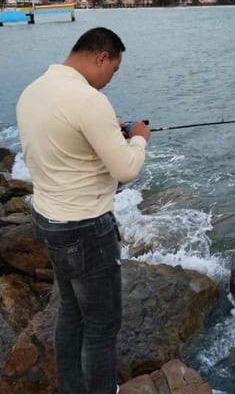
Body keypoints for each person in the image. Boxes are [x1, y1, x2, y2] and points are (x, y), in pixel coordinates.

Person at [16, 27, 150, 394]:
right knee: (102, 327)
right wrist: (138, 136)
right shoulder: (88, 100)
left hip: (48, 221)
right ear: (101, 57)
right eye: (113, 71)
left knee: (72, 313)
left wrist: (109, 132)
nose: (109, 81)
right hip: (85, 229)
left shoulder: (34, 91)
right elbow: (125, 169)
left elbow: (62, 143)